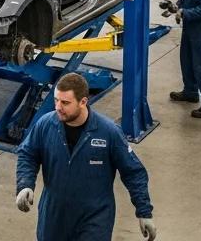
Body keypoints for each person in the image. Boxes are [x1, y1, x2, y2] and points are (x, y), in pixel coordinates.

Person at [15, 73, 156, 241]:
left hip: (94, 219)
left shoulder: (108, 132)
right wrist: (25, 184)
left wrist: (144, 211)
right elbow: (28, 154)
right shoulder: (46, 125)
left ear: (83, 102)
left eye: (65, 103)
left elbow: (133, 172)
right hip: (54, 217)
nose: (58, 107)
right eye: (56, 100)